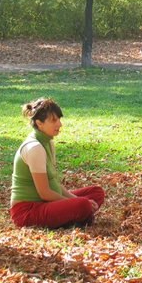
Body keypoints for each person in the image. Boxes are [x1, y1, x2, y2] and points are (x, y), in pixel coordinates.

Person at [10, 98, 105, 228]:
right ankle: (76, 216)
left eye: (59, 119)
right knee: (83, 205)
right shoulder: (34, 147)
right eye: (54, 120)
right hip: (28, 211)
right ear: (39, 123)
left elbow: (55, 185)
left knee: (96, 192)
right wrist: (78, 203)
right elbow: (44, 192)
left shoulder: (48, 142)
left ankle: (74, 217)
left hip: (46, 203)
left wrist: (75, 200)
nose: (59, 124)